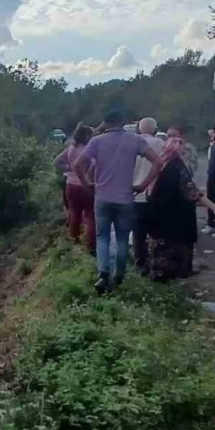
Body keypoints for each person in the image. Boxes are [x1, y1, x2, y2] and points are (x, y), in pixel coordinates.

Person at [74, 108, 162, 294]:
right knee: (122, 238)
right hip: (126, 199)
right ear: (122, 121)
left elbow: (77, 164)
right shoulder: (135, 140)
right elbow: (158, 162)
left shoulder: (97, 141)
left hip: (103, 197)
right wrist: (143, 184)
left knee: (103, 237)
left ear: (105, 122)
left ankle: (103, 273)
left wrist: (87, 184)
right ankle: (119, 275)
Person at [146, 137, 215, 282]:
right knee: (175, 250)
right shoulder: (178, 167)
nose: (186, 152)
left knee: (161, 249)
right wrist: (214, 208)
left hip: (160, 215)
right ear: (177, 151)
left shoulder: (163, 164)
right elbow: (193, 192)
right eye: (184, 149)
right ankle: (173, 278)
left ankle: (159, 277)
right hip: (177, 217)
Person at [54, 125, 97, 253]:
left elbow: (56, 162)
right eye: (91, 134)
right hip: (86, 185)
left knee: (74, 212)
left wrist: (68, 169)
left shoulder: (71, 148)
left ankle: (74, 240)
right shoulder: (89, 150)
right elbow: (93, 165)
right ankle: (91, 246)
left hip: (71, 185)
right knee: (90, 215)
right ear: (87, 136)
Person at [132, 117, 165, 276]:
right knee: (157, 231)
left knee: (138, 233)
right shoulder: (161, 144)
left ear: (139, 128)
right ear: (155, 129)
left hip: (135, 194)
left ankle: (140, 266)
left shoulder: (131, 143)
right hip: (155, 194)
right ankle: (157, 264)